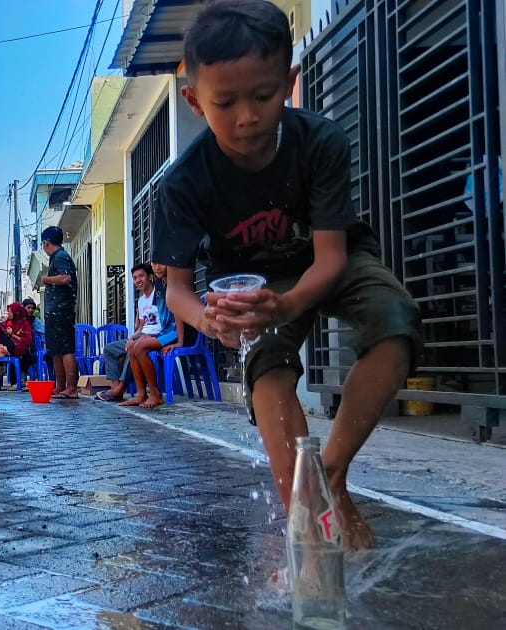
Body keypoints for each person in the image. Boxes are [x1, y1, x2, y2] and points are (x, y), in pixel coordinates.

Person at [157, 0, 422, 550]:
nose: (247, 116)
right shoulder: (184, 182)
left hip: (333, 261)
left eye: (263, 95)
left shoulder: (320, 141)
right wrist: (209, 321)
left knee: (395, 323)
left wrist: (291, 303)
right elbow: (177, 290)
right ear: (194, 101)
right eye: (225, 102)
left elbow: (329, 256)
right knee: (269, 373)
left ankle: (329, 473)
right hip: (251, 284)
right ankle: (309, 532)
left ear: (290, 82)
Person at [95, 263, 179, 404]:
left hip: (158, 334)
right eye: (134, 278)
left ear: (150, 277)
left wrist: (140, 338)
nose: (138, 280)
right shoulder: (141, 301)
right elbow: (141, 326)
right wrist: (132, 337)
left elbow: (171, 320)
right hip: (143, 335)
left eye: (141, 276)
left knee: (135, 347)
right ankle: (117, 389)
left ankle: (124, 388)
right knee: (110, 349)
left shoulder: (160, 294)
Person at [120, 263, 183, 408]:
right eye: (154, 264)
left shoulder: (170, 286)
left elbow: (178, 313)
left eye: (161, 264)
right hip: (164, 332)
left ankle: (155, 394)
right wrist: (138, 335)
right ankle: (141, 394)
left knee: (140, 347)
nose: (158, 267)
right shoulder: (161, 287)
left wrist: (180, 340)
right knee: (133, 347)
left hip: (172, 332)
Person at [39, 226, 79, 399]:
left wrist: (45, 279)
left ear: (46, 242)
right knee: (55, 350)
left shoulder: (61, 256)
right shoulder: (55, 257)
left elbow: (65, 277)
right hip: (54, 311)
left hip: (62, 311)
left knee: (65, 349)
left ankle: (71, 387)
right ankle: (60, 386)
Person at [1, 302, 33, 386]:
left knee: (22, 355)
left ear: (16, 312)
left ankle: (20, 381)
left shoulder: (25, 323)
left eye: (10, 312)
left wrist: (13, 335)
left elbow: (28, 340)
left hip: (21, 349)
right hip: (7, 348)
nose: (8, 314)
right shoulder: (6, 324)